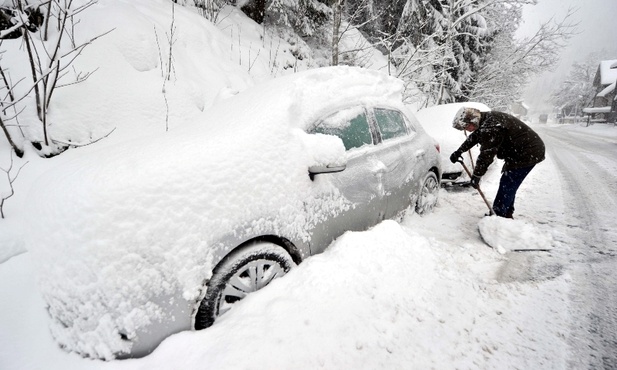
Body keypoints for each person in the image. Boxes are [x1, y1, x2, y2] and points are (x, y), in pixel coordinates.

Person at [449, 107, 545, 218]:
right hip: (519, 151)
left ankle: (499, 216)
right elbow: (475, 137)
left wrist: (477, 175)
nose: (467, 130)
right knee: (508, 182)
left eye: (466, 127)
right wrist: (459, 151)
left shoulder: (491, 127)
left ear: (472, 121)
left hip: (528, 152)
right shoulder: (484, 120)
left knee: (508, 183)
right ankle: (505, 212)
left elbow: (486, 155)